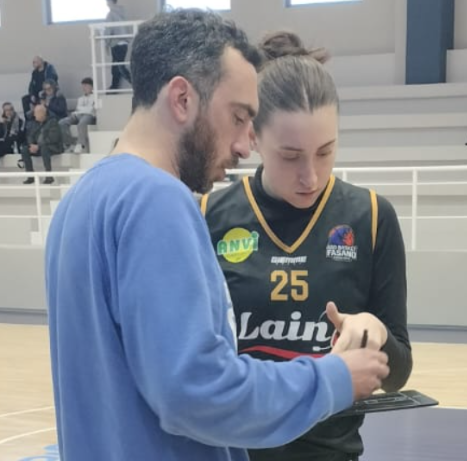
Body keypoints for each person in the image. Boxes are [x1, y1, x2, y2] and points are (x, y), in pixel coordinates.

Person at [45, 10, 389, 461]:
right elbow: (197, 393)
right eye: (238, 117)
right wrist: (334, 378)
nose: (245, 144)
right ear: (182, 99)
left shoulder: (80, 200)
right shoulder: (157, 199)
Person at [202, 31, 413, 461]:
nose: (311, 176)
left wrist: (374, 332)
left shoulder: (372, 217)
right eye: (291, 155)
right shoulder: (208, 215)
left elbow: (398, 374)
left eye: (325, 152)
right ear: (254, 137)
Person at [21, 104, 63, 184]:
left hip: (53, 147)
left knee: (44, 148)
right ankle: (30, 176)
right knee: (25, 150)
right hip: (38, 147)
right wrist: (31, 145)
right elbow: (30, 135)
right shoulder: (34, 123)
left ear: (42, 113)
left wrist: (38, 146)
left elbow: (53, 138)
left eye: (36, 113)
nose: (34, 115)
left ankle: (49, 176)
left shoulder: (53, 122)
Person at [59, 77, 96, 153]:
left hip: (89, 115)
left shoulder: (95, 97)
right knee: (62, 122)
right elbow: (78, 109)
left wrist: (82, 109)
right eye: (83, 86)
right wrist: (82, 109)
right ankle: (69, 143)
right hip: (78, 115)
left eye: (86, 86)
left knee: (81, 124)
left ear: (91, 87)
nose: (84, 88)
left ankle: (80, 144)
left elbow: (91, 110)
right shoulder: (80, 98)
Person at [105, 0, 132, 91]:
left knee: (119, 67)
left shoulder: (111, 14)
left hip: (116, 42)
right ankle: (114, 86)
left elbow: (108, 30)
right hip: (124, 43)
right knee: (117, 66)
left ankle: (134, 84)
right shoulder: (123, 13)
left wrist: (106, 43)